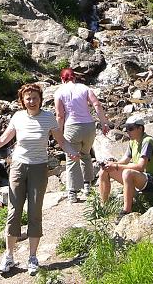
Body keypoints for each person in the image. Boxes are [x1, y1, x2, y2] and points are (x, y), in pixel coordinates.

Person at [0, 83, 78, 276]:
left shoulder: (48, 118)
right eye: (28, 98)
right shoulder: (18, 117)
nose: (32, 101)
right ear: (22, 101)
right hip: (18, 167)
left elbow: (61, 141)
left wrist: (72, 152)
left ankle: (33, 257)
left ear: (40, 99)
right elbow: (3, 140)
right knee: (14, 211)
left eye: (35, 97)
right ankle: (9, 256)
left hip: (39, 168)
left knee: (35, 211)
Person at [54, 68, 111, 203]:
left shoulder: (59, 92)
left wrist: (58, 133)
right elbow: (97, 104)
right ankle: (88, 186)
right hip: (89, 126)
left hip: (72, 127)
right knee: (86, 155)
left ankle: (73, 192)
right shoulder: (84, 88)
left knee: (71, 158)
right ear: (74, 78)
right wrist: (104, 123)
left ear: (62, 79)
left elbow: (60, 115)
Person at [97, 116, 153, 219]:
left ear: (140, 128)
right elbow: (124, 160)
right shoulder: (132, 142)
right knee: (104, 171)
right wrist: (110, 165)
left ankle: (126, 211)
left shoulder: (147, 141)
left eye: (131, 128)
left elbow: (140, 166)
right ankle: (104, 206)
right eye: (126, 129)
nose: (127, 131)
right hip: (142, 177)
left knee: (127, 173)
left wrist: (116, 166)